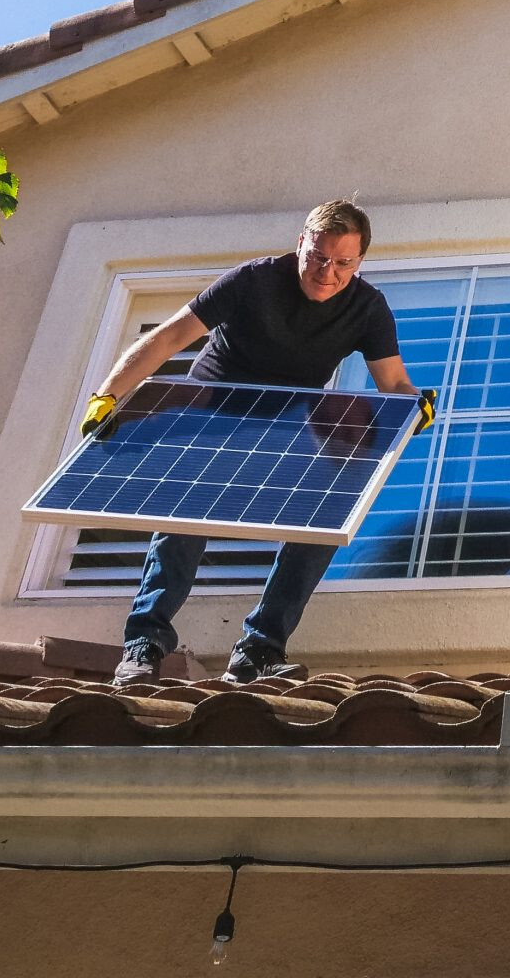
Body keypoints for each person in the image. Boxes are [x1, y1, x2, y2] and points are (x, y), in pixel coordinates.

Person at [84, 200, 419, 686]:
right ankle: (145, 643)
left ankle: (259, 649)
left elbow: (394, 383)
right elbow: (167, 339)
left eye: (343, 263)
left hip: (283, 422)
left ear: (359, 262)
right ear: (300, 245)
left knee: (326, 516)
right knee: (184, 516)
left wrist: (416, 406)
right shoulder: (253, 280)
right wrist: (108, 397)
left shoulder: (367, 308)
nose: (328, 272)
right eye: (319, 258)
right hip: (212, 412)